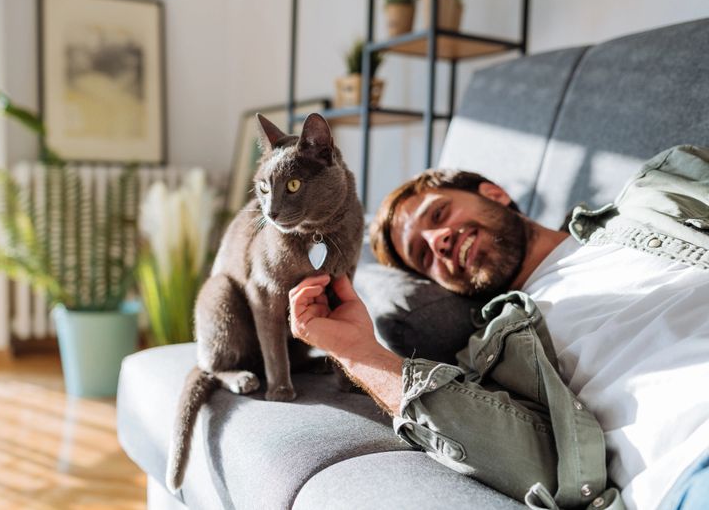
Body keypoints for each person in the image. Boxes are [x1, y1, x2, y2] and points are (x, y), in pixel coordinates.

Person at [288, 145, 709, 510]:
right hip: (690, 462)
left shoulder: (653, 193)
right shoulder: (493, 355)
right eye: (423, 255)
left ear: (495, 194)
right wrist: (359, 354)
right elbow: (530, 464)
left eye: (439, 213)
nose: (438, 242)